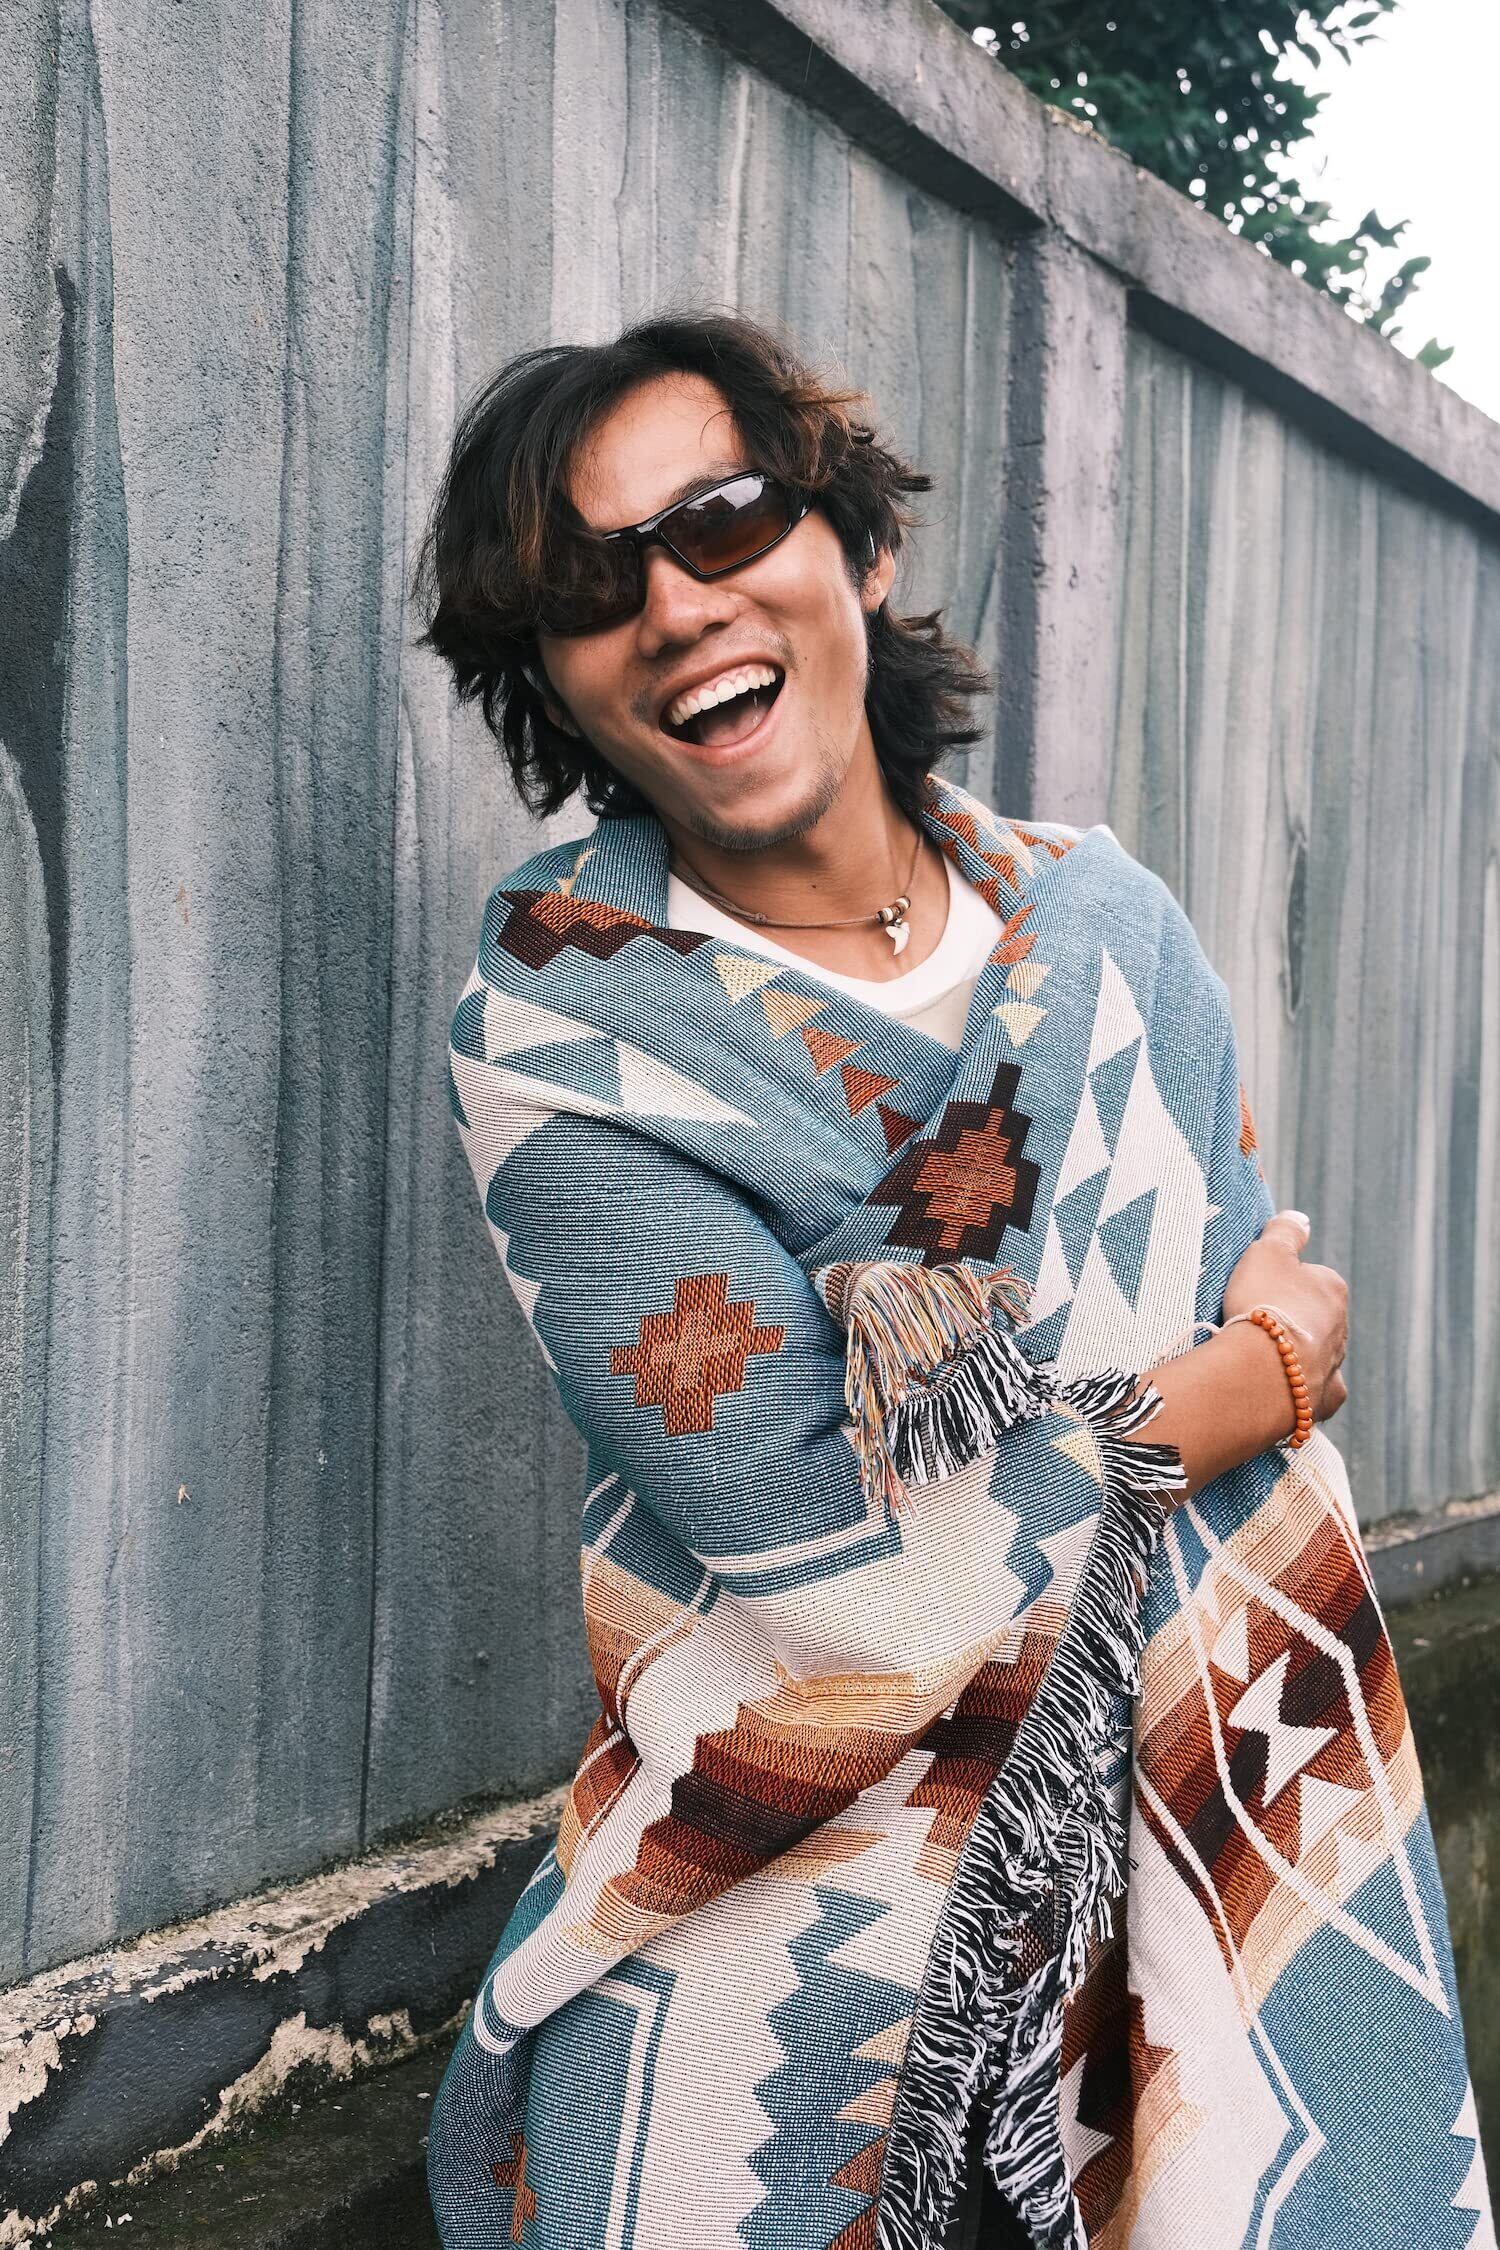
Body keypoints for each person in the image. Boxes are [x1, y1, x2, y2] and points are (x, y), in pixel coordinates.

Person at [415, 313, 1490, 2249]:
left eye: (722, 522)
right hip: (789, 1860)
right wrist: (1234, 1393)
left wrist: (1232, 1378)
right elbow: (826, 1544)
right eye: (590, 586)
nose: (674, 604)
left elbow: (1243, 1342)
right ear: (555, 679)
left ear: (859, 546)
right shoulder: (561, 1032)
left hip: (1195, 1809)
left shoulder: (1107, 932)